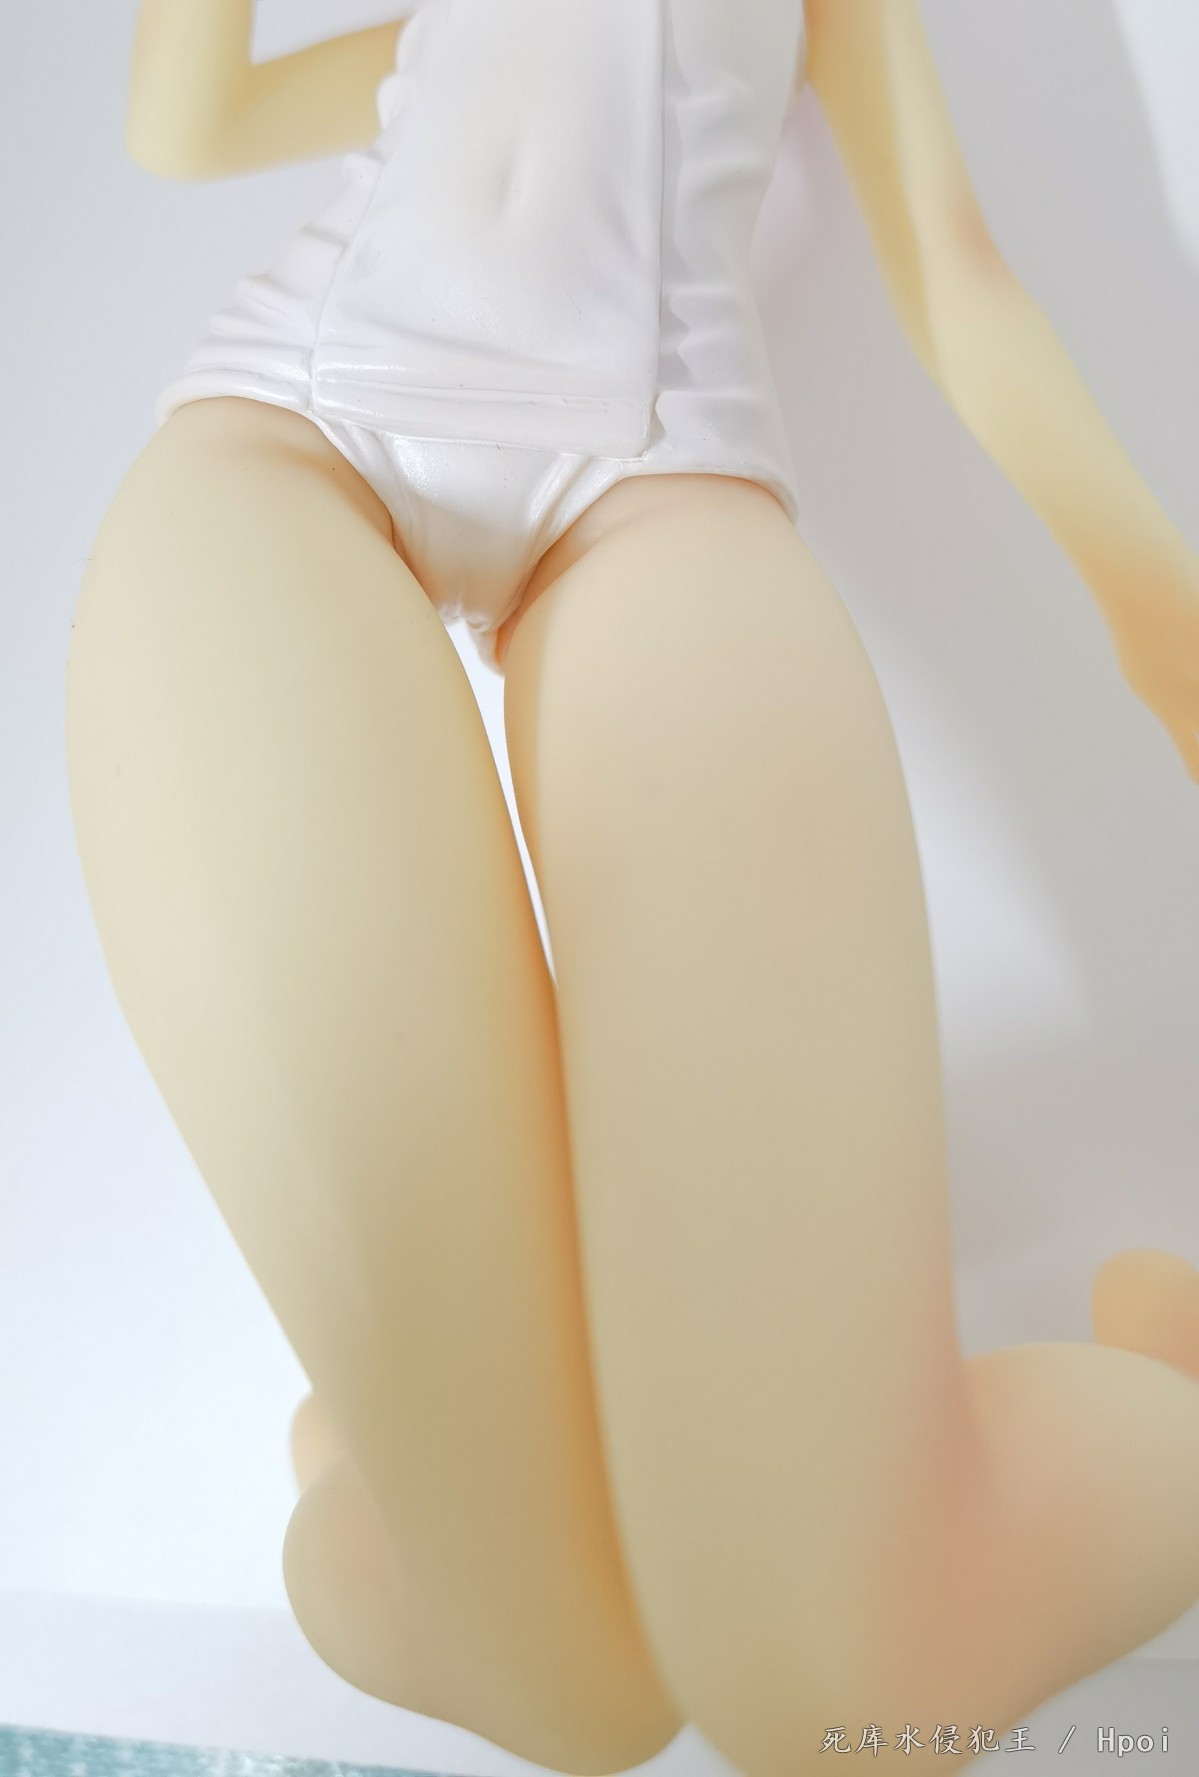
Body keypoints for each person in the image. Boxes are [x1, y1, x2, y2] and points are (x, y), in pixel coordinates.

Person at [64, 1, 1199, 1771]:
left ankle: (1162, 1412)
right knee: (568, 1688)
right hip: (288, 431)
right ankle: (380, 1465)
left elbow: (957, 271)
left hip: (664, 483)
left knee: (835, 1693)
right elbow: (188, 127)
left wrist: (1165, 625)